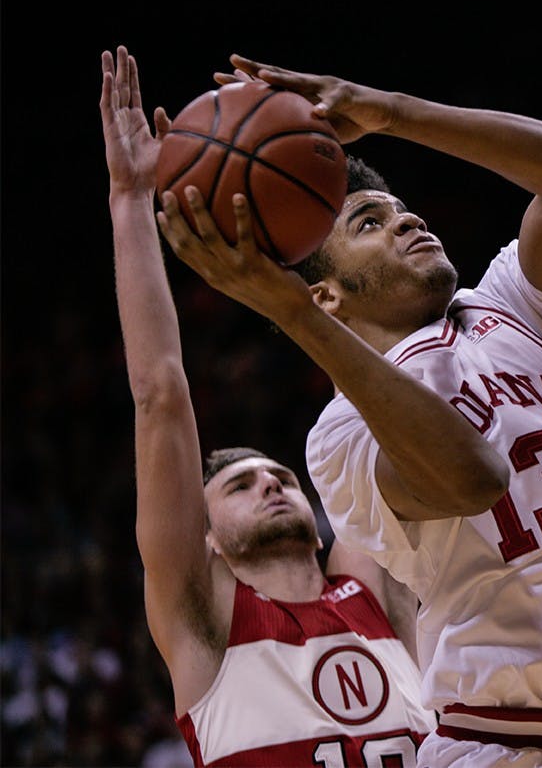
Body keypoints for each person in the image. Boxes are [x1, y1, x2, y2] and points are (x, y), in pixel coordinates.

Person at [156, 55, 542, 768]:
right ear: (326, 296)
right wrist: (290, 312)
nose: (408, 221)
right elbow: (472, 476)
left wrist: (393, 112)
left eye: (403, 209)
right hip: (512, 744)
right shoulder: (340, 434)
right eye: (371, 222)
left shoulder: (516, 304)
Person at [101, 45, 437, 768]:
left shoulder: (375, 584)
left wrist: (336, 281)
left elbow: (385, 395)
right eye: (240, 484)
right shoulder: (205, 622)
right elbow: (160, 393)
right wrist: (130, 201)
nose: (272, 483)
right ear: (208, 538)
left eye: (279, 475)